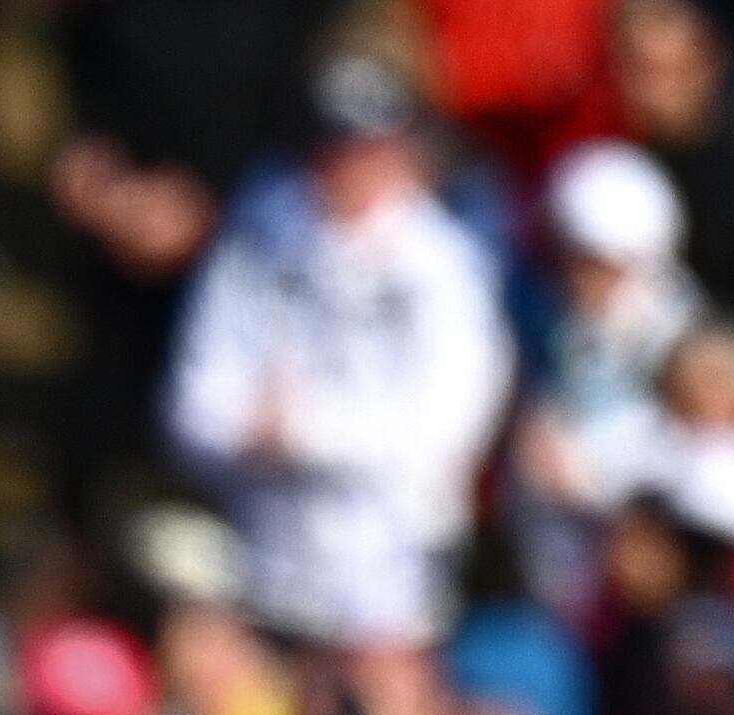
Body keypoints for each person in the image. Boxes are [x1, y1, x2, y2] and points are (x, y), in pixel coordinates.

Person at [160, 57, 512, 656]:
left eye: (369, 144)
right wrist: (257, 433)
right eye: (333, 144)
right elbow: (192, 411)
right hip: (260, 565)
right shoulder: (256, 242)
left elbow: (441, 435)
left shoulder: (444, 267)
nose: (350, 163)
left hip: (390, 581)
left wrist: (305, 431)